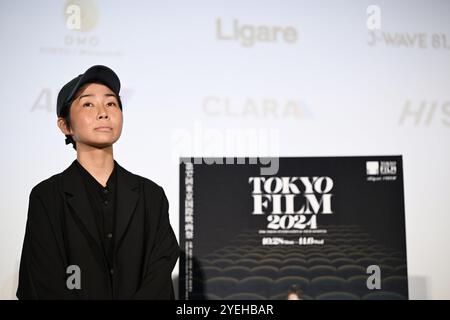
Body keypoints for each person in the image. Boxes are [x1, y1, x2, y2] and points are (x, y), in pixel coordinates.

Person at [16, 65, 180, 299]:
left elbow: (160, 270)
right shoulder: (48, 196)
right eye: (88, 104)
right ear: (65, 125)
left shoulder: (150, 196)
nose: (103, 112)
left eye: (111, 103)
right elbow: (42, 280)